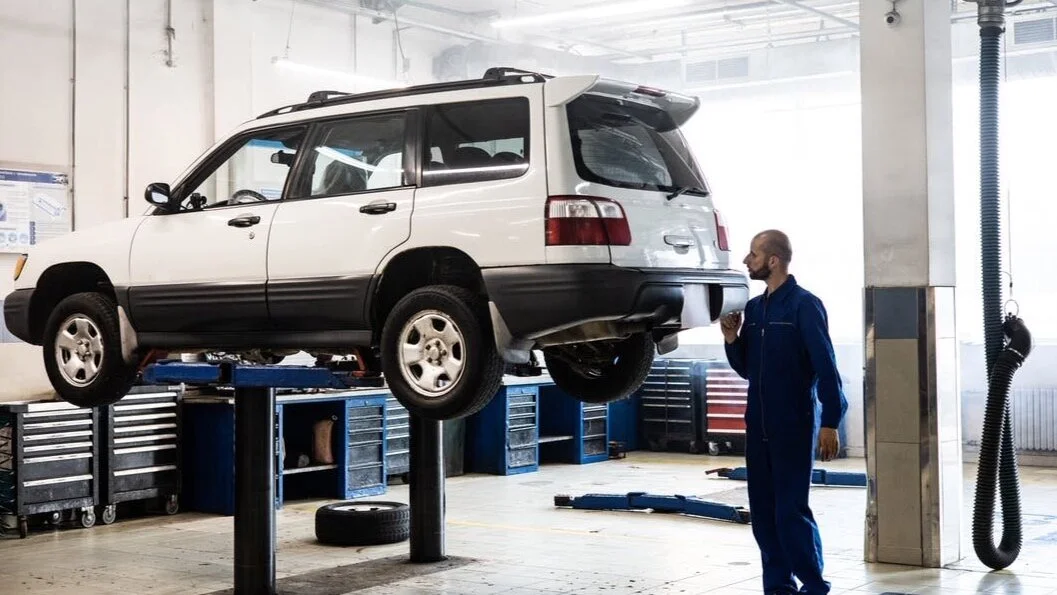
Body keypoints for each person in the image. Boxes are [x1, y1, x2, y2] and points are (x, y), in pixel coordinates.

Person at [720, 230, 847, 595]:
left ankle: (814, 586)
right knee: (763, 514)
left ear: (773, 260)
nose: (747, 261)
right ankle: (777, 587)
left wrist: (830, 422)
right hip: (757, 423)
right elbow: (748, 368)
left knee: (790, 512)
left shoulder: (804, 306)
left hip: (792, 423)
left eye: (753, 254)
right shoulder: (755, 310)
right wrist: (732, 339)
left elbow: (826, 366)